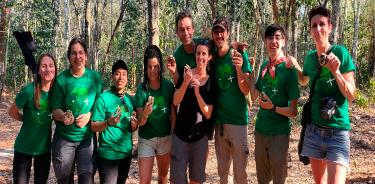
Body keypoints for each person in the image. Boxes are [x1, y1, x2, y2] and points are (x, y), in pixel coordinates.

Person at [289, 6, 356, 184]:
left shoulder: (341, 53)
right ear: (310, 30)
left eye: (322, 24)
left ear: (330, 26)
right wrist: (295, 65)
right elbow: (304, 80)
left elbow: (351, 95)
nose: (318, 29)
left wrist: (336, 72)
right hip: (314, 130)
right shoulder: (311, 57)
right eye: (314, 25)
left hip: (338, 131)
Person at [249, 24, 299, 184]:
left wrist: (274, 107)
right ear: (265, 41)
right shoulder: (264, 66)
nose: (273, 41)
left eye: (277, 37)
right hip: (261, 131)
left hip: (279, 133)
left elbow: (293, 111)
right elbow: (253, 95)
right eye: (270, 38)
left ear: (283, 41)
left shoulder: (289, 69)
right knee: (262, 179)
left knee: (278, 179)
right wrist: (248, 71)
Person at [50, 37, 103, 183]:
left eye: (81, 53)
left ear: (86, 56)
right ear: (69, 57)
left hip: (87, 139)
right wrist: (63, 116)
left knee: (87, 179)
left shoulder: (95, 78)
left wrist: (89, 115)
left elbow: (100, 107)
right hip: (64, 138)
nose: (77, 57)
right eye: (73, 53)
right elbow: (55, 110)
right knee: (64, 180)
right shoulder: (61, 80)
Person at [211, 16, 252, 184]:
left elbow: (246, 89)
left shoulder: (240, 55)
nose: (219, 35)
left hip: (238, 123)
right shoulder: (212, 57)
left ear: (228, 33)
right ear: (212, 34)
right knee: (222, 174)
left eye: (222, 32)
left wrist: (239, 68)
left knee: (240, 174)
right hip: (219, 124)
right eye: (216, 32)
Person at [170, 39, 214, 184]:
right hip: (180, 136)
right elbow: (176, 101)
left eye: (204, 54)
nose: (200, 57)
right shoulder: (186, 74)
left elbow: (208, 113)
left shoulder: (211, 82)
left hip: (199, 138)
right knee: (177, 180)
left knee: (196, 180)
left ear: (209, 57)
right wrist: (185, 82)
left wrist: (197, 93)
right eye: (198, 53)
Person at [8, 53, 57, 184]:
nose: (48, 69)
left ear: (55, 69)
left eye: (51, 66)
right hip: (23, 148)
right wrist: (28, 119)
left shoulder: (56, 93)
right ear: (38, 70)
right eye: (44, 66)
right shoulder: (28, 91)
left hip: (44, 150)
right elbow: (12, 112)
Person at [91, 60, 138, 184]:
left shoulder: (130, 100)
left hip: (126, 154)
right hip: (108, 156)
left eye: (124, 74)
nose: (120, 77)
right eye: (117, 73)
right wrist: (107, 122)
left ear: (127, 78)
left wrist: (134, 126)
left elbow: (131, 127)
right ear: (112, 76)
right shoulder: (103, 98)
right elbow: (94, 126)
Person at [135, 45, 176, 184]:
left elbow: (173, 114)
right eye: (149, 67)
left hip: (165, 138)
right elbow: (140, 122)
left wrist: (173, 136)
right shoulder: (141, 89)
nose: (152, 70)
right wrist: (145, 114)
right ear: (145, 68)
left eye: (156, 66)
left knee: (163, 178)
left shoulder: (168, 86)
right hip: (146, 139)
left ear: (160, 66)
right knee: (144, 181)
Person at [167, 11, 197, 85]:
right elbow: (178, 85)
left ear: (193, 29)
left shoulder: (204, 47)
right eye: (182, 30)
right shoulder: (177, 57)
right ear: (177, 32)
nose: (186, 33)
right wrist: (174, 72)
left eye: (188, 28)